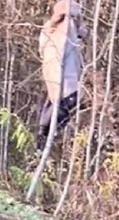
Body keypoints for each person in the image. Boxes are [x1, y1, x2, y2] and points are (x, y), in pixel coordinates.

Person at [37, 0, 88, 150]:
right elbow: (82, 33)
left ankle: (44, 140)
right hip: (66, 86)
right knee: (65, 108)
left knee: (50, 110)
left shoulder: (47, 30)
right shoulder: (66, 28)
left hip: (55, 84)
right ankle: (46, 144)